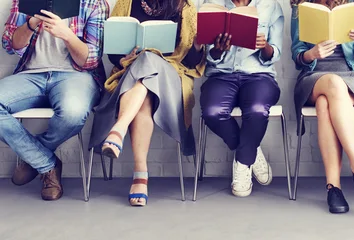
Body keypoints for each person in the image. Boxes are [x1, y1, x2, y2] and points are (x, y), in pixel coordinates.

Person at [89, 0, 204, 206]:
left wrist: (198, 44)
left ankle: (119, 130)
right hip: (132, 73)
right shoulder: (125, 4)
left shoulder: (185, 7)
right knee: (145, 81)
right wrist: (127, 56)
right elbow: (113, 54)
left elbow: (190, 61)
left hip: (170, 77)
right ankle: (140, 174)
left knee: (149, 60)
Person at [0, 0, 108, 200]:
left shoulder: (93, 3)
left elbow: (91, 58)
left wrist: (65, 34)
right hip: (31, 74)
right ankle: (46, 163)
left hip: (76, 75)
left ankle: (34, 157)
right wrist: (31, 24)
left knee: (73, 114)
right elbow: (9, 44)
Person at [291, 0, 354, 214]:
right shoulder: (301, 8)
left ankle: (334, 189)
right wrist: (312, 54)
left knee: (325, 103)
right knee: (332, 83)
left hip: (349, 77)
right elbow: (297, 56)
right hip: (313, 77)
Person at [200, 0, 284, 197]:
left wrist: (265, 47)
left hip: (258, 75)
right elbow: (206, 53)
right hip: (221, 75)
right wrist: (219, 49)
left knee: (256, 110)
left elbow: (276, 52)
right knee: (212, 112)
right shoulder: (211, 5)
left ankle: (244, 163)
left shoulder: (270, 6)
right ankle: (251, 149)